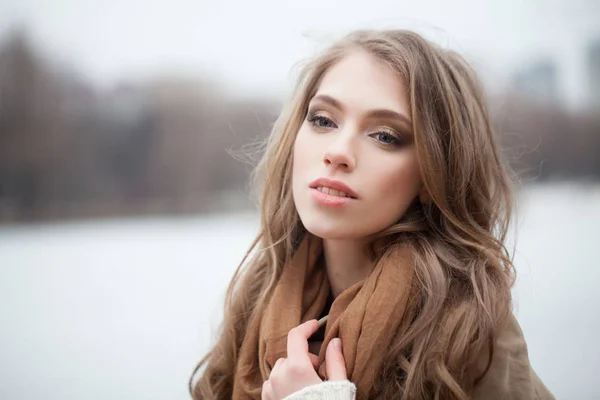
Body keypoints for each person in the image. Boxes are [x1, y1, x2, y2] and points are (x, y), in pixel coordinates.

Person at [189, 29, 555, 400]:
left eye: (384, 135)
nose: (338, 151)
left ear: (432, 176)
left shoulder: (466, 331)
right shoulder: (254, 301)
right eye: (323, 120)